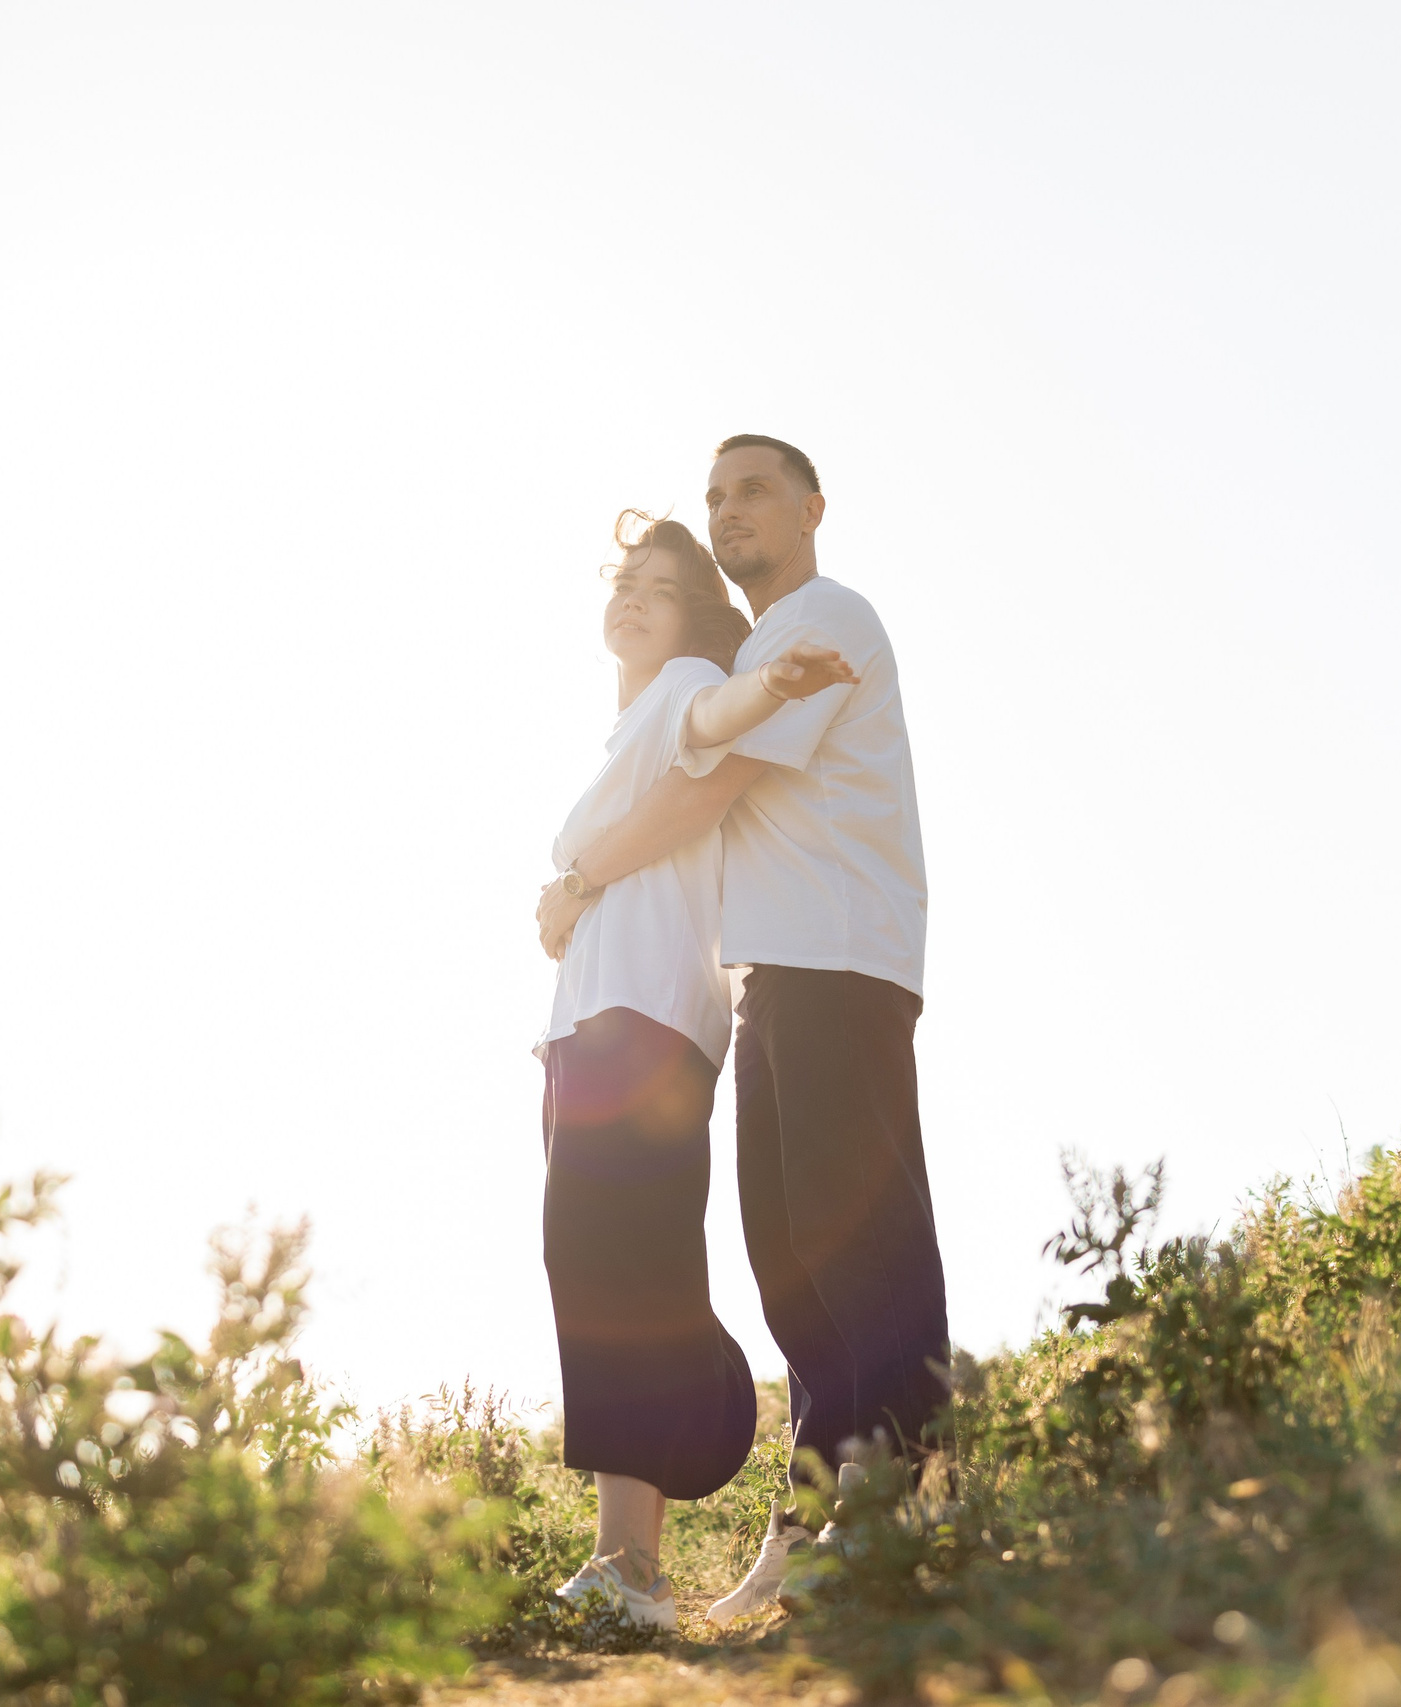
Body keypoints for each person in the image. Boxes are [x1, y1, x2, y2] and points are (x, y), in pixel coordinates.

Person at [536, 436, 943, 1622]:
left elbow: (707, 781)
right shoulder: (765, 644)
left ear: (813, 508)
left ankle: (904, 1496)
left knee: (858, 1232)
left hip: (840, 951)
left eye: (753, 489)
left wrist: (576, 882)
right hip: (773, 970)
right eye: (715, 494)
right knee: (792, 1253)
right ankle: (817, 1511)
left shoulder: (822, 622)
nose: (729, 509)